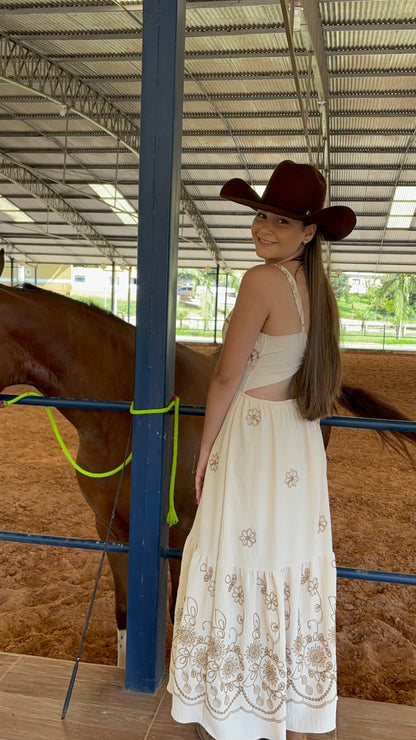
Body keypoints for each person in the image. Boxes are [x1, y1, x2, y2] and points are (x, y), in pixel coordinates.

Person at [168, 160, 356, 740]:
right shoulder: (313, 288)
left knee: (238, 553)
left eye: (281, 220)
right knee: (286, 557)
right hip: (296, 439)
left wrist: (205, 454)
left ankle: (236, 710)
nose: (263, 228)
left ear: (308, 232)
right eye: (261, 216)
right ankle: (290, 707)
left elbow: (226, 377)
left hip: (253, 433)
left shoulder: (262, 281)